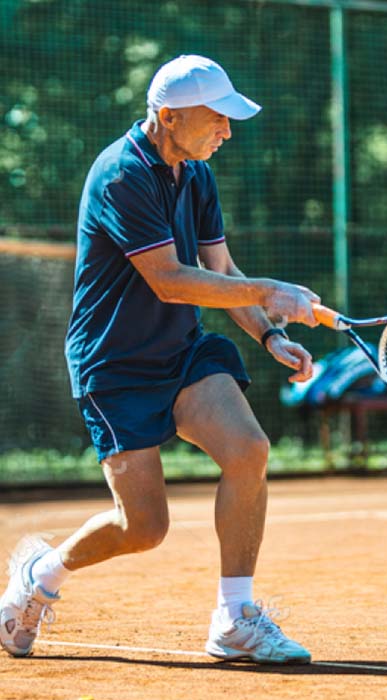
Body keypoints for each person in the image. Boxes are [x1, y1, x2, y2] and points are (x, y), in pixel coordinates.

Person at [0, 55, 320, 664]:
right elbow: (172, 280)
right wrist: (268, 291)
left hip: (181, 352)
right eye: (217, 118)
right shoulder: (122, 176)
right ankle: (38, 578)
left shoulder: (195, 173)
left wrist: (269, 335)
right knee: (143, 527)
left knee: (249, 449)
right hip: (114, 367)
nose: (227, 130)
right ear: (169, 117)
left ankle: (234, 619)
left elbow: (221, 271)